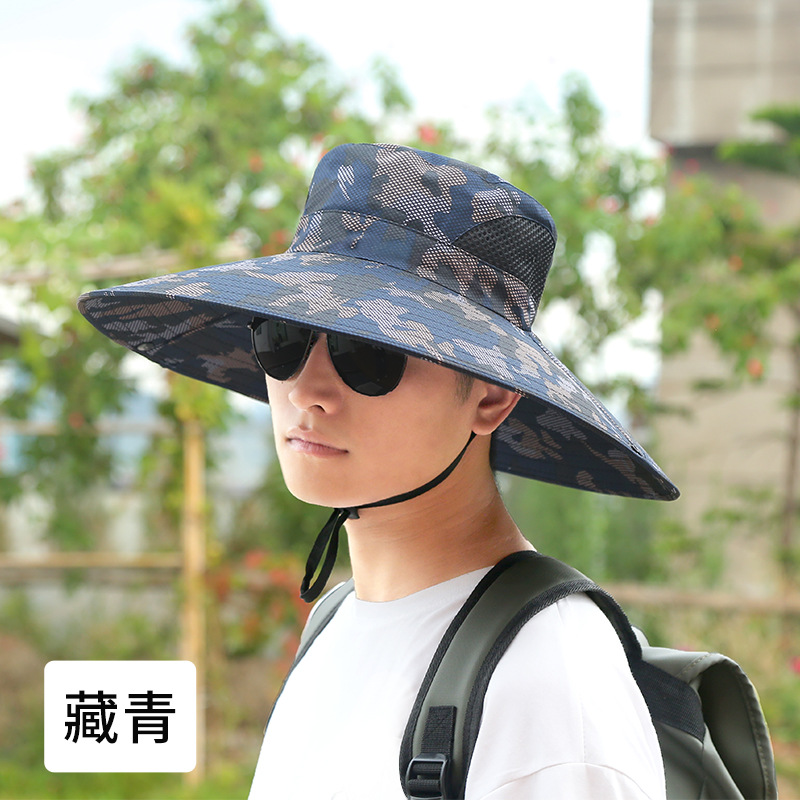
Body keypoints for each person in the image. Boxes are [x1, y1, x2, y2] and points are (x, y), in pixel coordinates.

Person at [79, 142, 678, 799]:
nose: (308, 391)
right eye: (282, 338)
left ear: (491, 396)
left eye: (366, 353)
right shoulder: (335, 623)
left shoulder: (546, 680)